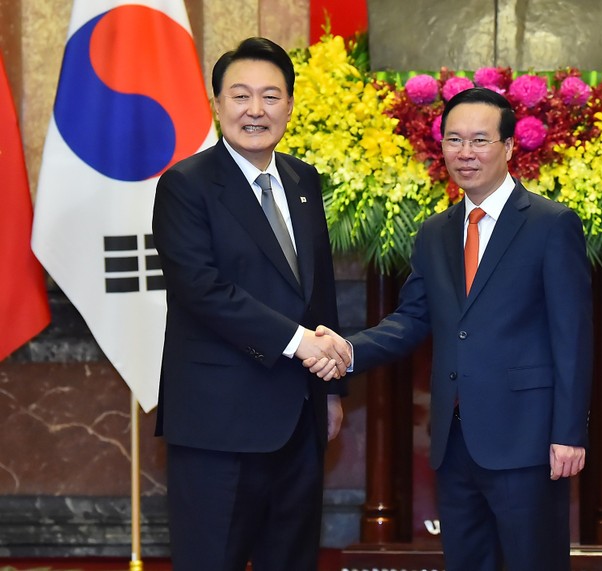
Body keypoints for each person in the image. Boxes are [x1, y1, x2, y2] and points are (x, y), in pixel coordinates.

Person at [308, 87, 593, 570]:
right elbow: (412, 318)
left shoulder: (551, 224)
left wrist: (569, 432)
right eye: (454, 140)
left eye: (480, 140)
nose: (465, 152)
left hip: (527, 440)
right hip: (454, 441)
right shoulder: (435, 232)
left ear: (508, 147)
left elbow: (574, 336)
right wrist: (348, 351)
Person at [151, 37, 351, 571]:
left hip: (299, 418)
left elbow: (318, 290)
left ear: (289, 105)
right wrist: (300, 343)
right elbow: (202, 289)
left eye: (270, 96)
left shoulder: (302, 180)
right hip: (219, 423)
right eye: (240, 96)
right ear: (217, 104)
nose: (255, 110)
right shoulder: (185, 186)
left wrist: (329, 390)